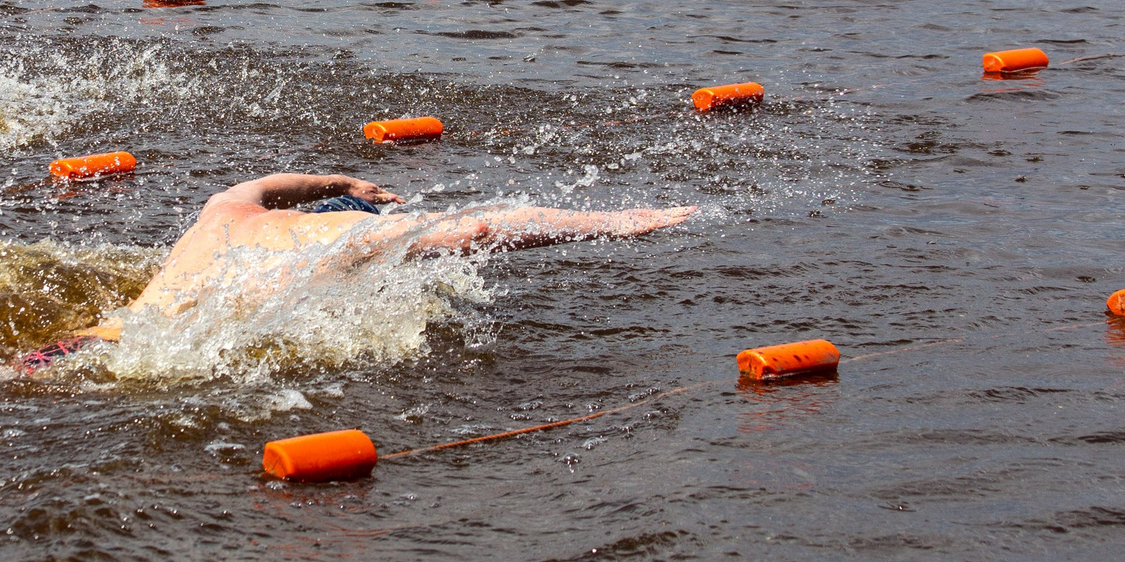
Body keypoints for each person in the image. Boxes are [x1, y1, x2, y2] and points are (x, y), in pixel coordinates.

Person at [45, 173, 695, 350]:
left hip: (86, 343)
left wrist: (340, 179)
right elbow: (486, 227)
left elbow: (270, 184)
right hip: (138, 365)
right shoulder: (333, 243)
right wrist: (618, 222)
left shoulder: (222, 212)